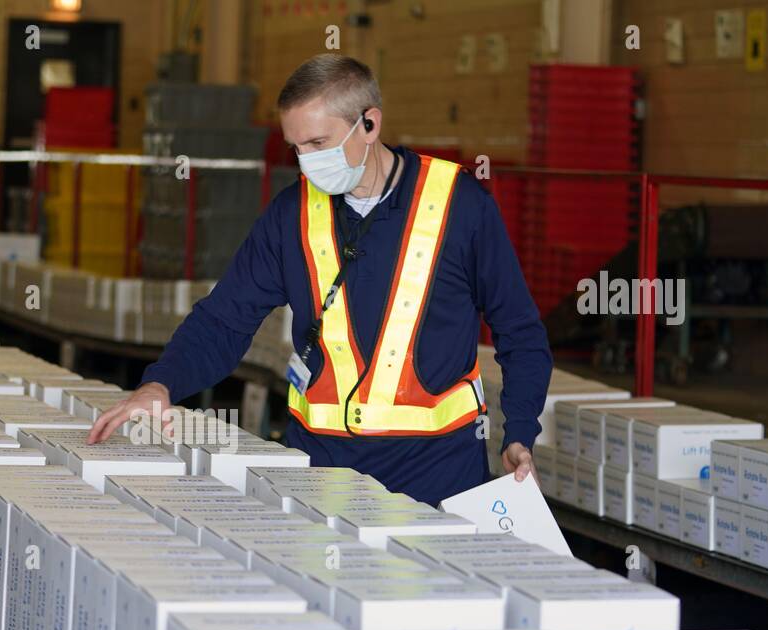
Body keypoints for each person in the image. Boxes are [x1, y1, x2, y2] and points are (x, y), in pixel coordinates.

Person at [87, 53, 552, 506]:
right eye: (295, 147)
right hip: (322, 475)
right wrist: (160, 384)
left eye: (318, 144)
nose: (305, 161)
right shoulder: (290, 214)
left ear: (370, 124)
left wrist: (521, 430)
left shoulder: (461, 206)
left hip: (438, 478)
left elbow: (520, 331)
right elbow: (224, 320)